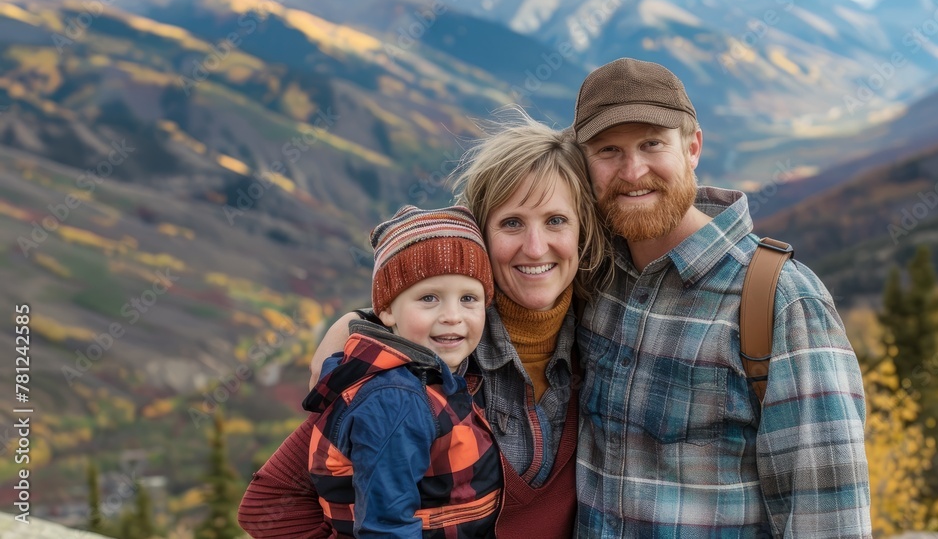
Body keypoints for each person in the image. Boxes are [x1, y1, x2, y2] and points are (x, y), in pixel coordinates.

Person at [239, 118, 608, 539]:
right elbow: (270, 502)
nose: (536, 246)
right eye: (511, 223)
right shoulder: (421, 366)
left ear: (583, 231)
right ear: (480, 237)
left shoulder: (606, 340)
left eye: (556, 220)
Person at [570, 58, 872, 537]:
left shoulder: (781, 301)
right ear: (584, 164)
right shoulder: (591, 276)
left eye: (652, 144)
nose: (633, 171)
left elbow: (828, 517)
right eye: (608, 150)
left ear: (692, 147)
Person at [309, 204, 501, 537]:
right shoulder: (395, 399)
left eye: (468, 298)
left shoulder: (431, 378)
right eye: (429, 298)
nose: (452, 316)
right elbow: (385, 526)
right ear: (385, 310)